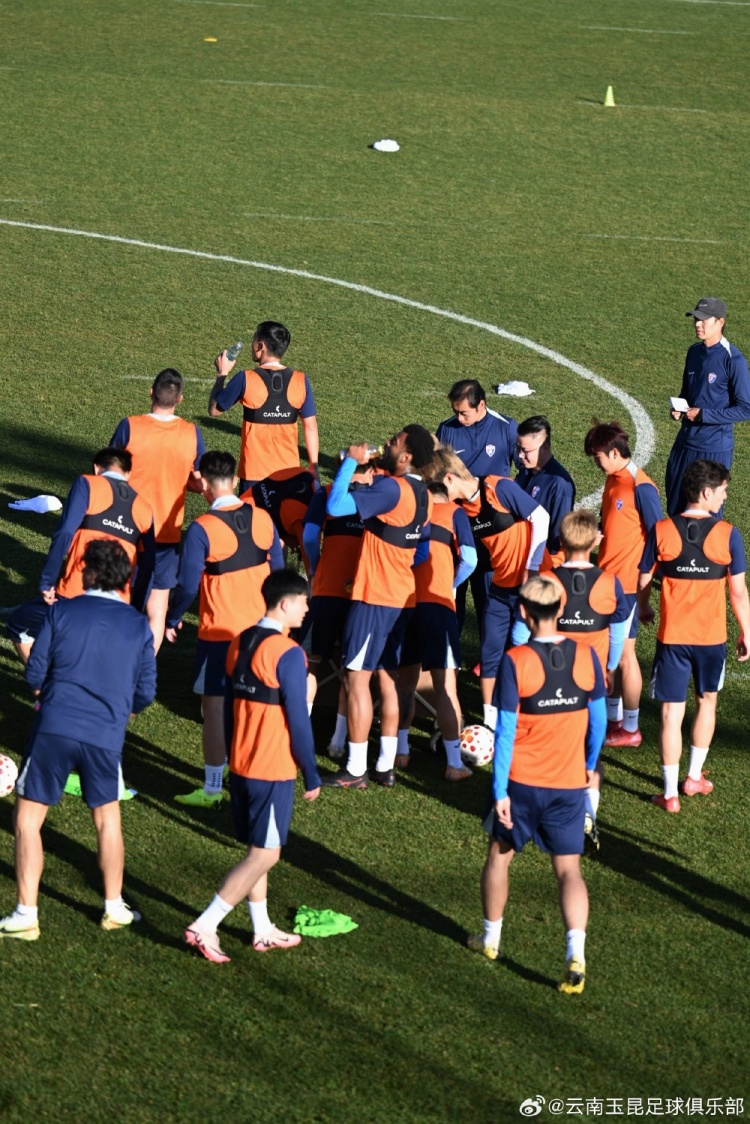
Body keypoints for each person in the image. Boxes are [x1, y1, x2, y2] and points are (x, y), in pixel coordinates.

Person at [0, 540, 156, 941]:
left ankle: (26, 914)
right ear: (124, 578)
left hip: (54, 726)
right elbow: (145, 693)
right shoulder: (138, 625)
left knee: (27, 821)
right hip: (105, 735)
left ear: (90, 573)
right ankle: (114, 907)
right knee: (107, 820)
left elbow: (35, 673)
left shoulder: (62, 611)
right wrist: (117, 715)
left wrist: (49, 697)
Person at [468, 575, 606, 995]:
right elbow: (599, 723)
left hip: (523, 783)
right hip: (568, 784)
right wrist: (588, 766)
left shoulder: (515, 661)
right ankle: (575, 952)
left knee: (499, 857)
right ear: (561, 609)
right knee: (569, 870)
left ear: (524, 613)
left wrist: (499, 791)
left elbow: (505, 732)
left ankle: (490, 939)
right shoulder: (587, 657)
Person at [184, 569, 321, 964]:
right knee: (266, 855)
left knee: (257, 847)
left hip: (242, 762)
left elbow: (231, 702)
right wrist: (312, 772)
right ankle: (206, 924)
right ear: (285, 604)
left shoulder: (240, 640)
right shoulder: (288, 653)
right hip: (271, 766)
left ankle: (262, 929)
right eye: (303, 602)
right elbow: (298, 718)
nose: (306, 609)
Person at [166, 451, 283, 807]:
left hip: (219, 634)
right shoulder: (263, 518)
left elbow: (187, 585)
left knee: (215, 709)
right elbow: (279, 576)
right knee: (255, 707)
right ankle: (252, 776)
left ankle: (213, 789)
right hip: (262, 633)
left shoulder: (201, 529)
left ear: (202, 483)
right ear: (234, 481)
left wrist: (172, 617)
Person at [321, 426, 435, 789]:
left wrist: (349, 464)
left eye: (395, 441)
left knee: (356, 679)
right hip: (402, 597)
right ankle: (385, 764)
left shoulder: (392, 489)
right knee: (387, 680)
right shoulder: (424, 494)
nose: (387, 442)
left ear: (407, 456)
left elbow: (336, 507)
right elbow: (420, 549)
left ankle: (356, 768)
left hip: (375, 598)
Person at [512, 510, 630, 851]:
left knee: (546, 746)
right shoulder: (610, 583)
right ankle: (586, 814)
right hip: (589, 681)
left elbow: (519, 633)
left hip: (544, 678)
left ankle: (539, 811)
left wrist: (521, 666)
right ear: (595, 542)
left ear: (561, 542)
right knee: (589, 751)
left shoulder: (547, 581)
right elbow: (618, 632)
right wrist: (609, 667)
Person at [637, 460, 750, 812]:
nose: (725, 496)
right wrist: (747, 632)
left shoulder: (662, 530)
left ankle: (670, 794)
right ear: (706, 492)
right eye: (722, 491)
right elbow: (738, 592)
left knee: (671, 713)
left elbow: (643, 577)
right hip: (711, 640)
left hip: (673, 638)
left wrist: (644, 606)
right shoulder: (728, 534)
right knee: (707, 702)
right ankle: (694, 777)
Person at [423, 448, 549, 731]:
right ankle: (492, 723)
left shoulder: (498, 487)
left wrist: (532, 567)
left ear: (449, 478)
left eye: (436, 487)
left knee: (525, 651)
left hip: (533, 586)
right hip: (501, 588)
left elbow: (541, 517)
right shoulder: (459, 510)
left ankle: (528, 717)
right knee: (490, 652)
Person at [5, 447, 155, 664]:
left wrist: (47, 580)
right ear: (128, 474)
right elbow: (148, 565)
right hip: (118, 605)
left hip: (74, 594)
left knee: (18, 626)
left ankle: (44, 683)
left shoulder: (87, 484)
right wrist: (134, 610)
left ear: (96, 468)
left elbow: (65, 532)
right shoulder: (145, 508)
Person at [110, 367, 206, 651]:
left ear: (151, 392)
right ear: (180, 399)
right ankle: (145, 668)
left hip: (126, 528)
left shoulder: (130, 426)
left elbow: (109, 473)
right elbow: (200, 482)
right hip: (166, 534)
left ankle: (114, 660)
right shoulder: (191, 433)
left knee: (119, 597)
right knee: (158, 609)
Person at [584, 421, 663, 748]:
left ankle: (631, 727)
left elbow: (659, 538)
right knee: (611, 654)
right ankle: (615, 719)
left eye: (598, 456)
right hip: (607, 582)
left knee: (626, 655)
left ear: (615, 452)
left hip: (627, 585)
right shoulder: (613, 479)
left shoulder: (641, 487)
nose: (596, 462)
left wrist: (645, 591)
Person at [396, 481, 477, 779]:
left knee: (405, 683)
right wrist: (450, 585)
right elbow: (470, 559)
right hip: (437, 605)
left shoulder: (410, 513)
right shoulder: (454, 512)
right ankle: (454, 763)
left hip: (405, 605)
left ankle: (400, 751)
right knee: (446, 687)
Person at [300, 463, 373, 758]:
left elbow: (308, 537)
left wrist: (315, 569)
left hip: (327, 589)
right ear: (372, 473)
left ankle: (298, 732)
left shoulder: (327, 494)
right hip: (363, 594)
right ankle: (338, 742)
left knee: (311, 663)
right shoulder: (381, 498)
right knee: (351, 671)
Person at [435, 379, 518, 637]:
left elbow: (524, 470)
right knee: (452, 595)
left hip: (491, 529)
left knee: (488, 599)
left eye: (464, 413)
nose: (458, 418)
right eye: (455, 412)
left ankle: (488, 655)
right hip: (457, 524)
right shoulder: (447, 429)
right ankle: (449, 650)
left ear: (481, 405)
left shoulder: (506, 427)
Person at [208, 321, 319, 492]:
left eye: (254, 339)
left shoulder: (245, 378)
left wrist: (222, 374)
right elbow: (310, 427)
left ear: (260, 346)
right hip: (289, 474)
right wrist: (313, 466)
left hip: (254, 475)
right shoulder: (301, 381)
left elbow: (215, 409)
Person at [665, 298, 750, 517]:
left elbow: (745, 408)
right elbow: (687, 392)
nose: (697, 324)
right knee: (675, 508)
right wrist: (679, 408)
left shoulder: (733, 360)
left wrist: (703, 415)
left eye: (703, 320)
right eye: (695, 319)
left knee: (707, 516)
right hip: (685, 443)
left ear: (720, 322)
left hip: (713, 448)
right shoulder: (694, 352)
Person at [514, 415, 575, 556]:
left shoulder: (559, 485)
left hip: (538, 561)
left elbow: (558, 539)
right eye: (518, 448)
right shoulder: (525, 471)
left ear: (545, 447)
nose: (520, 455)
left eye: (526, 451)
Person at [242, 466, 318, 570]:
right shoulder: (306, 520)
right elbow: (313, 571)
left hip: (240, 506)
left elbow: (278, 504)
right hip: (249, 532)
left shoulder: (302, 473)